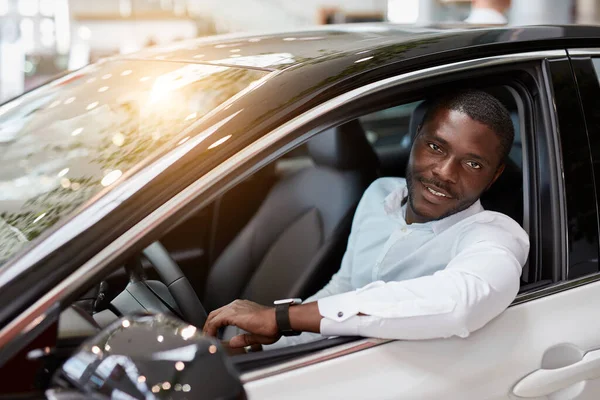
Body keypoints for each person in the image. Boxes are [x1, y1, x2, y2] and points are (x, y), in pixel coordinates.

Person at [202, 89, 530, 351]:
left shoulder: (495, 236)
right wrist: (268, 346)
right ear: (415, 138)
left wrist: (282, 316)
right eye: (435, 146)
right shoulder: (379, 194)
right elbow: (346, 285)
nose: (444, 173)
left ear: (494, 175)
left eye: (472, 164)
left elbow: (461, 304)